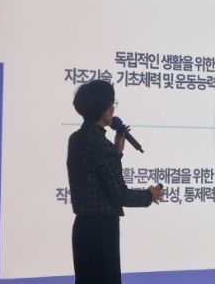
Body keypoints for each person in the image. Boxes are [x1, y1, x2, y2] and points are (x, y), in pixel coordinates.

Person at [67, 80, 163, 284]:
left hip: (83, 228)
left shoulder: (75, 139)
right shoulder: (103, 147)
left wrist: (116, 151)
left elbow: (94, 173)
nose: (113, 109)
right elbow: (121, 195)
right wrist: (150, 195)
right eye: (112, 104)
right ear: (104, 110)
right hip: (102, 231)